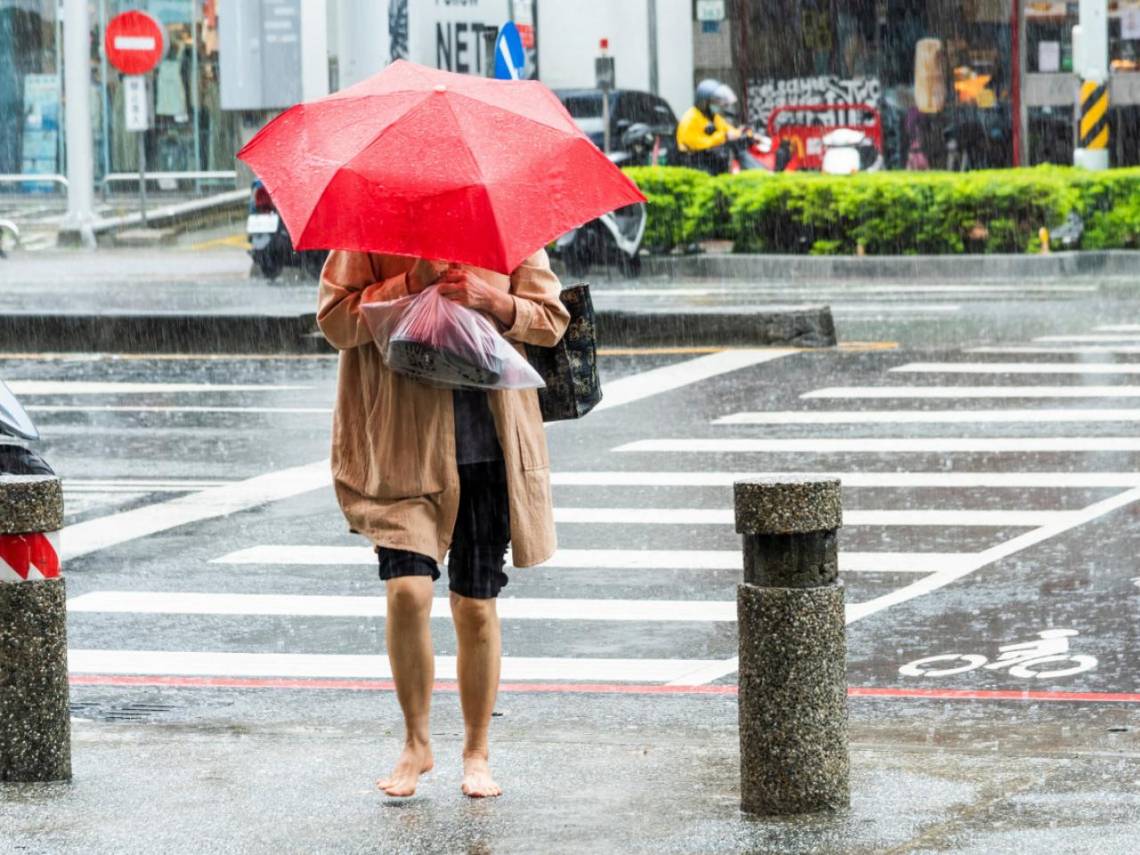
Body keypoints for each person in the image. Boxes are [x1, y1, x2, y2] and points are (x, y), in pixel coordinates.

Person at [317, 249, 570, 799]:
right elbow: (336, 323)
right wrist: (409, 283)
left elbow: (551, 321)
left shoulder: (502, 232)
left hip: (489, 448)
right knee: (407, 593)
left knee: (475, 606)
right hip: (402, 448)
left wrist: (491, 300)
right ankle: (416, 742)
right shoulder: (369, 230)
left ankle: (476, 751)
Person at [675, 78, 746, 175]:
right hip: (694, 162)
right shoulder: (689, 119)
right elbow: (697, 144)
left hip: (711, 160)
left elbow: (727, 129)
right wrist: (723, 137)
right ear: (705, 102)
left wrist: (743, 133)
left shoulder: (712, 116)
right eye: (716, 102)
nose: (720, 105)